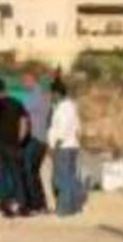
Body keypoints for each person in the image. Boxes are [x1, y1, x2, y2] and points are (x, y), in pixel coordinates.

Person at [0, 78, 31, 217]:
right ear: (5, 88)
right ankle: (23, 206)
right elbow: (24, 123)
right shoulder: (16, 103)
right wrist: (20, 139)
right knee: (17, 174)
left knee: (1, 176)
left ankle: (6, 208)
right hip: (13, 144)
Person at [47, 79, 83, 216]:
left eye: (51, 93)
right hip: (72, 145)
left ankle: (65, 209)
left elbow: (63, 129)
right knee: (71, 176)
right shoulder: (72, 107)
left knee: (62, 179)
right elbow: (78, 128)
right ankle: (75, 206)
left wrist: (54, 146)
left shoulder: (63, 108)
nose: (50, 95)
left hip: (63, 146)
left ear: (56, 93)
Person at [21, 73, 50, 214]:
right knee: (33, 172)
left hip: (35, 138)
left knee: (28, 170)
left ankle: (36, 204)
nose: (23, 85)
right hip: (42, 138)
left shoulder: (33, 96)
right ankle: (40, 204)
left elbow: (25, 117)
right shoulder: (44, 95)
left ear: (31, 80)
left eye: (24, 81)